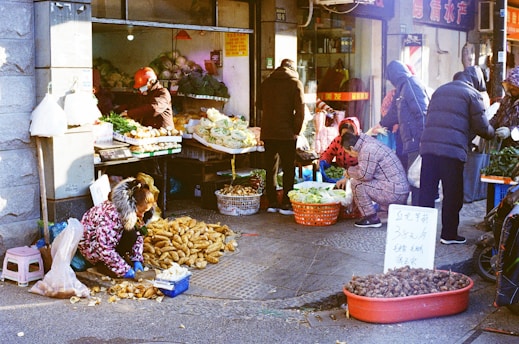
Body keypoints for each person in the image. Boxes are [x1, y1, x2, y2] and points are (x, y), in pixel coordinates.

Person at [418, 67, 495, 245]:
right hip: (452, 152)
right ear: (474, 81)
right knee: (452, 194)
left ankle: (422, 234)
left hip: (428, 147)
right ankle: (449, 234)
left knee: (427, 192)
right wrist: (493, 132)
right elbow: (482, 127)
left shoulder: (440, 90)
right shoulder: (472, 94)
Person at [370, 60, 429, 206]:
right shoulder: (403, 87)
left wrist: (423, 139)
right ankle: (412, 210)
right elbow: (395, 113)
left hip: (417, 140)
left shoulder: (411, 85)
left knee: (416, 178)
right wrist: (380, 124)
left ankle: (417, 212)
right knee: (412, 177)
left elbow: (422, 113)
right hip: (410, 140)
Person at [78, 177, 156, 278]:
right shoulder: (111, 215)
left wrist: (137, 259)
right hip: (91, 246)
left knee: (133, 233)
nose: (142, 215)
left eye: (145, 211)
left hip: (106, 241)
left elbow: (138, 235)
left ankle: (117, 261)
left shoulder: (132, 214)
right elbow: (104, 247)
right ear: (132, 205)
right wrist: (124, 270)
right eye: (141, 211)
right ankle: (102, 264)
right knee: (129, 236)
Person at [258, 59, 305, 215]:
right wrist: (296, 131)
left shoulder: (267, 83)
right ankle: (286, 202)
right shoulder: (295, 83)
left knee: (270, 168)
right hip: (287, 133)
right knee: (288, 169)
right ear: (293, 68)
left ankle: (271, 202)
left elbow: (259, 105)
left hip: (269, 132)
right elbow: (300, 111)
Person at [340, 131, 409, 228]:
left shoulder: (367, 150)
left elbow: (364, 175)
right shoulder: (368, 143)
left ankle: (370, 217)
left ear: (351, 148)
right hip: (398, 190)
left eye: (348, 153)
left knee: (356, 183)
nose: (350, 155)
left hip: (395, 193)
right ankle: (384, 211)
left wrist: (349, 172)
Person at [319, 117, 361, 189]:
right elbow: (328, 153)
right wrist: (323, 161)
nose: (345, 138)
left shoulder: (361, 143)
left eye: (348, 135)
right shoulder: (337, 140)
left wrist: (350, 176)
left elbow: (365, 168)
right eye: (343, 135)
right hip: (341, 172)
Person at [490, 66, 519, 149]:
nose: (512, 88)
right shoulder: (507, 98)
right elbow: (498, 115)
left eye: (515, 86)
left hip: (515, 150)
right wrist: (487, 126)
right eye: (511, 85)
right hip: (502, 146)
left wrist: (510, 131)